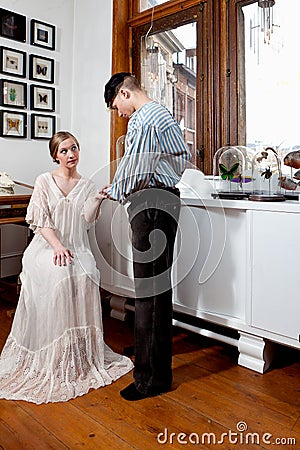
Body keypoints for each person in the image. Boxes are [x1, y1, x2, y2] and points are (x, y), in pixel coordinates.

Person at [0, 131, 133, 404]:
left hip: (77, 247)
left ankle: (79, 353)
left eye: (74, 148)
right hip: (46, 247)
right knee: (59, 273)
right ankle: (52, 352)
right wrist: (58, 246)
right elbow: (40, 220)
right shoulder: (44, 181)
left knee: (87, 273)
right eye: (64, 151)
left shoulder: (86, 184)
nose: (70, 155)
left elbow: (85, 221)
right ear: (54, 155)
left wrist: (97, 198)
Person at [103, 73, 191, 401]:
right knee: (157, 289)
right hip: (165, 198)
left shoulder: (145, 118)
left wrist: (114, 191)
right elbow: (180, 162)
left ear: (126, 93)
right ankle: (155, 367)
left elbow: (136, 165)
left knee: (147, 292)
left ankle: (149, 378)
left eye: (117, 106)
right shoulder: (164, 115)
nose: (120, 113)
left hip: (150, 201)